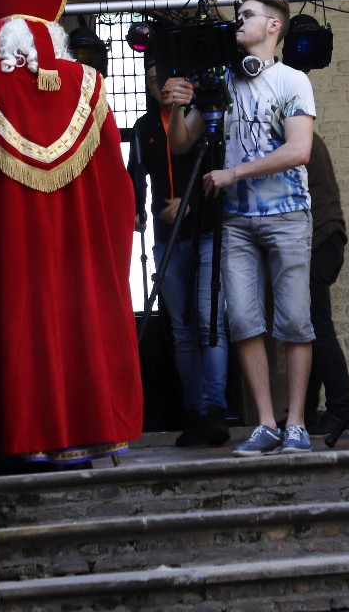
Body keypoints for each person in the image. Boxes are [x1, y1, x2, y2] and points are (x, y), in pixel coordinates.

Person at [0, 0, 142, 469]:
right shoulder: (90, 87)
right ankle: (91, 432)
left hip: (15, 260)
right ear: (51, 32)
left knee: (23, 322)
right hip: (81, 256)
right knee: (81, 315)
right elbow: (116, 190)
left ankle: (26, 441)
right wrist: (105, 252)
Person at [161, 0, 317, 456]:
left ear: (274, 26)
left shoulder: (293, 80)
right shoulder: (220, 81)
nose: (239, 21)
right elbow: (181, 144)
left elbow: (299, 150)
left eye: (248, 15)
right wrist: (175, 107)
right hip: (237, 221)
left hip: (288, 214)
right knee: (244, 321)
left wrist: (234, 173)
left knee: (294, 320)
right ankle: (266, 424)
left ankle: (296, 423)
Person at [130, 58, 231, 447]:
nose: (158, 87)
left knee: (209, 321)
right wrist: (136, 209)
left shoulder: (203, 114)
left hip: (205, 230)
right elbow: (136, 173)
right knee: (182, 331)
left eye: (163, 79)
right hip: (166, 239)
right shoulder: (143, 126)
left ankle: (216, 410)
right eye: (151, 81)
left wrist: (189, 205)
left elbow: (218, 170)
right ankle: (195, 415)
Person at [303, 132, 349, 436]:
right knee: (307, 331)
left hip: (318, 241)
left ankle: (341, 412)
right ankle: (305, 415)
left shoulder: (295, 135)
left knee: (316, 329)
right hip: (324, 238)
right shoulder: (305, 134)